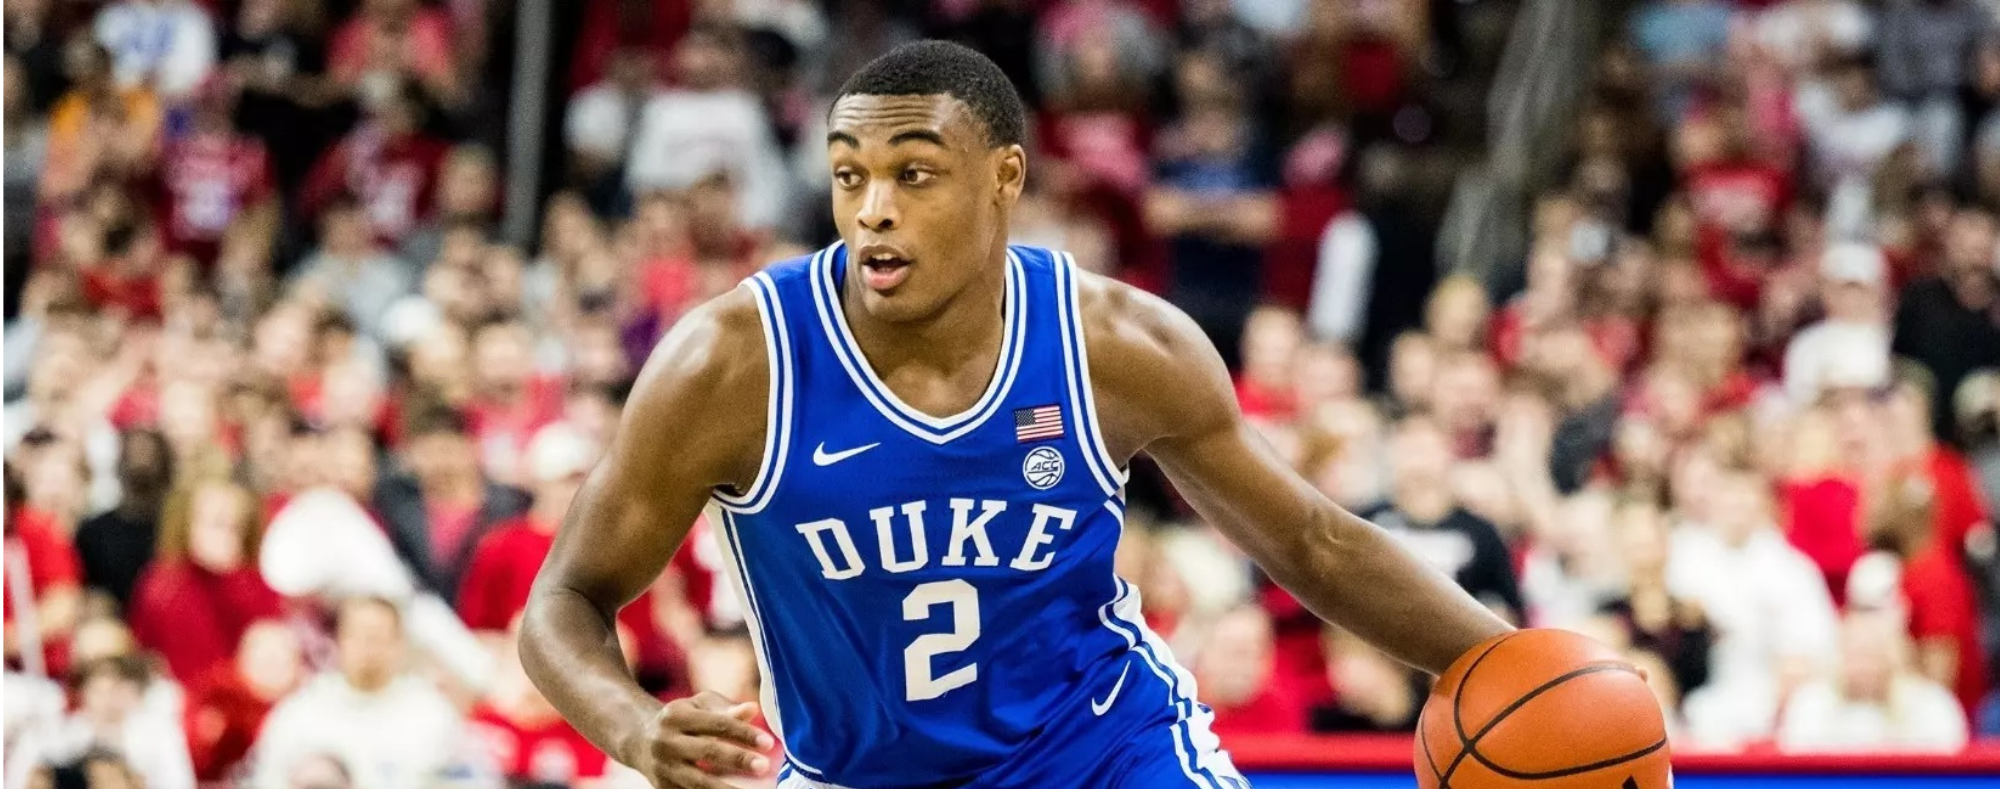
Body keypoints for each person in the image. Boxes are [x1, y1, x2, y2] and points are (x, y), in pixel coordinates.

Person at [519, 42, 1509, 789]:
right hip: (854, 773)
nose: (871, 209)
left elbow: (1310, 540)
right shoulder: (735, 364)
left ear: (1003, 179)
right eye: (848, 174)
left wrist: (1504, 661)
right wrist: (631, 728)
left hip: (1101, 750)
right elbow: (562, 602)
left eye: (911, 173)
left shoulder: (1115, 346)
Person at [249, 596, 463, 789]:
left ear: (400, 644)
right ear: (339, 640)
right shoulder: (301, 712)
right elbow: (267, 778)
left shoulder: (432, 714)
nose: (368, 648)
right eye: (358, 636)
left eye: (378, 637)